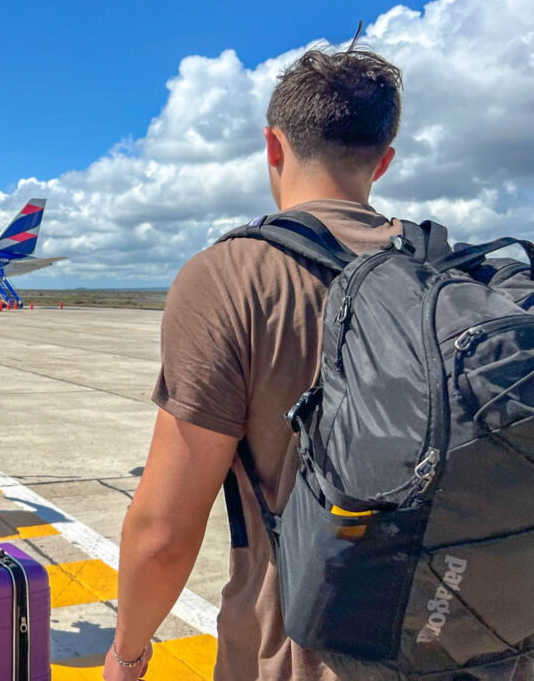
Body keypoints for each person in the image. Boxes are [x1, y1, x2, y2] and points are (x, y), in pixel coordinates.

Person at [105, 47, 403, 680]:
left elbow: (164, 532)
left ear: (273, 146)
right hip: (460, 644)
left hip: (295, 654)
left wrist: (127, 652)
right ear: (383, 160)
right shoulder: (450, 275)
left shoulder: (232, 276)